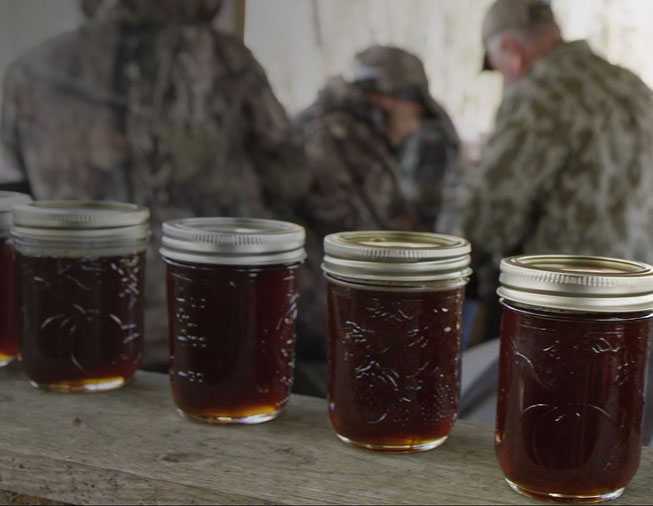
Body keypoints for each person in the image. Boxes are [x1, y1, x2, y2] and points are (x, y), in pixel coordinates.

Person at [0, 0, 306, 369]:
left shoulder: (31, 70)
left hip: (78, 323)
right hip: (211, 325)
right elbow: (292, 178)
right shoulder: (227, 61)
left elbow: (20, 190)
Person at [461, 0, 653, 316]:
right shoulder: (633, 86)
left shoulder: (542, 94)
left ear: (512, 53)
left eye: (497, 67)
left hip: (588, 323)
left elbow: (484, 218)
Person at [294, 45, 452, 362]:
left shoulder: (354, 135)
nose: (414, 127)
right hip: (329, 323)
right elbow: (371, 244)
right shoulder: (336, 137)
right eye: (414, 113)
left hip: (337, 317)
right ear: (386, 98)